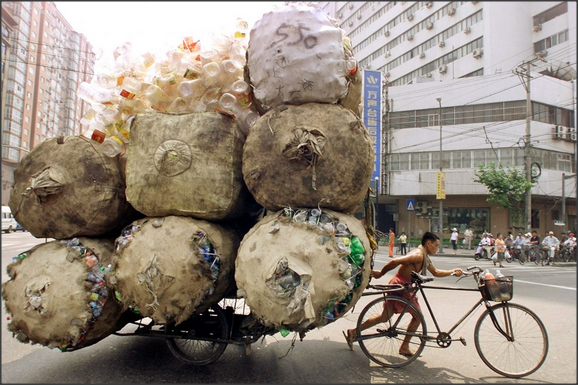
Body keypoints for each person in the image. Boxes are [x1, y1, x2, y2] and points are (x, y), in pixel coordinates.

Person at [342, 232, 463, 356]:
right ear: (428, 244)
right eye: (436, 245)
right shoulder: (418, 255)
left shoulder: (424, 256)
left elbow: (436, 272)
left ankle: (353, 332)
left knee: (384, 317)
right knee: (418, 317)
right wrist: (381, 273)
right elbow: (394, 261)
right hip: (401, 286)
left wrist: (452, 271)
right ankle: (404, 347)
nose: (437, 248)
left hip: (401, 285)